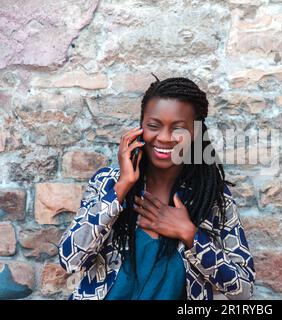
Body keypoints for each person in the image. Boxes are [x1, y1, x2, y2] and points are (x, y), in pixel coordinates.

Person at [58, 75, 256, 300]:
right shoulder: (107, 183)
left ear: (197, 133)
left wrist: (190, 234)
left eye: (178, 128)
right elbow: (70, 260)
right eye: (153, 125)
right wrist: (121, 188)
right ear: (140, 126)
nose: (164, 137)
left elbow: (244, 291)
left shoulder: (212, 199)